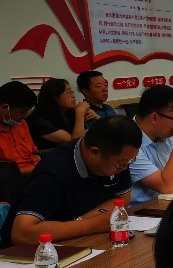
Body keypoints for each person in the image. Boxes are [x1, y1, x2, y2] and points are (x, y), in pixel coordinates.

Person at [0, 115, 141, 247]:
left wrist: (82, 221)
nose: (124, 168)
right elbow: (22, 233)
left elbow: (122, 199)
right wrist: (91, 225)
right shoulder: (54, 171)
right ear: (94, 153)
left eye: (129, 162)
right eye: (122, 164)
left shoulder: (116, 159)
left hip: (78, 241)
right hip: (32, 254)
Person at [26, 78, 89, 150]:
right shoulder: (39, 121)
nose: (73, 96)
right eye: (68, 92)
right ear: (55, 97)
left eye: (72, 92)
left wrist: (96, 118)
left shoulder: (68, 113)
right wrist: (80, 112)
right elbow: (76, 143)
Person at [0, 81, 39, 175]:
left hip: (36, 172)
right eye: (22, 112)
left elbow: (34, 152)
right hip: (13, 179)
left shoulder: (21, 123)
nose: (25, 116)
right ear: (5, 107)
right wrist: (37, 169)